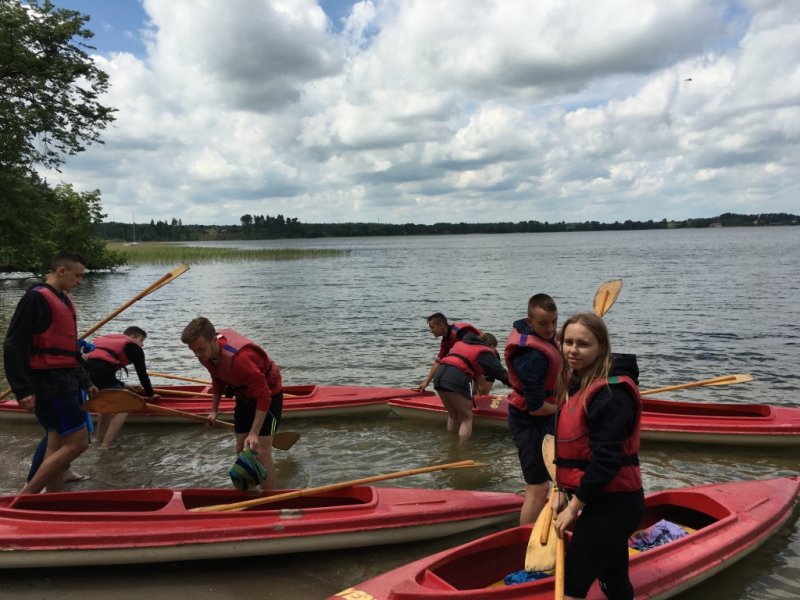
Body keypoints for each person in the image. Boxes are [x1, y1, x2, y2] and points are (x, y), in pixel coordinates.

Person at [552, 313, 644, 600]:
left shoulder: (611, 396)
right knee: (613, 582)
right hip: (600, 500)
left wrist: (573, 507)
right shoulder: (580, 383)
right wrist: (563, 493)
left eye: (583, 344)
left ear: (601, 348)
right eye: (568, 342)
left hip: (614, 505)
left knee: (572, 586)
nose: (573, 351)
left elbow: (605, 462)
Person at [3, 251, 97, 494]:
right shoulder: (36, 299)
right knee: (78, 442)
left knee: (56, 442)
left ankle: (52, 497)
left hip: (64, 379)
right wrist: (22, 388)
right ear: (61, 271)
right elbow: (13, 345)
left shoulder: (63, 299)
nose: (80, 281)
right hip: (49, 382)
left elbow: (70, 350)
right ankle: (26, 498)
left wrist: (85, 381)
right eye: (77, 275)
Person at [181, 317, 283, 491]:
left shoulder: (242, 360)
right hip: (244, 396)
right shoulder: (205, 355)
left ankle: (270, 498)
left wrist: (254, 433)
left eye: (200, 349)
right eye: (193, 350)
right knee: (241, 449)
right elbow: (217, 379)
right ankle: (249, 494)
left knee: (261, 453)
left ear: (214, 340)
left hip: (269, 398)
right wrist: (214, 410)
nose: (197, 355)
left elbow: (264, 396)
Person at [504, 293, 560, 525]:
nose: (550, 329)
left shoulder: (540, 338)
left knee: (553, 481)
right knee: (538, 488)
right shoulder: (532, 356)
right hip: (529, 422)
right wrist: (565, 407)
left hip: (542, 419)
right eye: (543, 324)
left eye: (554, 322)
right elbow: (536, 408)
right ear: (530, 322)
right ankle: (524, 538)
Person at [85, 326, 160, 448]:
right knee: (126, 405)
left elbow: (101, 368)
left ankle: (99, 438)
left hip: (86, 375)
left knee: (106, 405)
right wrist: (150, 394)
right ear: (132, 337)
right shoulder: (133, 348)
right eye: (141, 340)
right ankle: (106, 445)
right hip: (101, 374)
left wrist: (125, 386)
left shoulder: (109, 340)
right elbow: (142, 374)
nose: (142, 345)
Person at [432, 331, 510, 440]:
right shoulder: (485, 352)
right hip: (455, 378)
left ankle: (450, 445)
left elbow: (463, 361)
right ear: (491, 346)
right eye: (494, 349)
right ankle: (462, 450)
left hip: (439, 375)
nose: (494, 352)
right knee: (467, 418)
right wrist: (522, 388)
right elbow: (504, 375)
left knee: (453, 415)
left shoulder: (464, 342)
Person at [414, 313, 481, 392]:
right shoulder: (445, 341)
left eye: (432, 327)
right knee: (474, 396)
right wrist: (426, 382)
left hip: (486, 361)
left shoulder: (461, 333)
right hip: (476, 365)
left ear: (441, 325)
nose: (431, 331)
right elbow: (438, 362)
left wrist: (479, 372)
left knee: (481, 393)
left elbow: (477, 349)